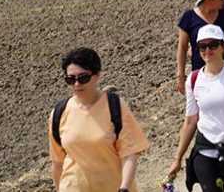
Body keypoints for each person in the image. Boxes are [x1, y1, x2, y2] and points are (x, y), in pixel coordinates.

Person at [168, 25, 224, 192]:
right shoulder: (193, 80)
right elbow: (190, 121)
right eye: (202, 46)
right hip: (207, 148)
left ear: (223, 46)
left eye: (213, 45)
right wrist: (177, 158)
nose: (207, 50)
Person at [49, 48, 149, 192]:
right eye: (70, 79)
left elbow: (129, 153)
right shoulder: (59, 113)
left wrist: (124, 188)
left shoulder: (114, 106)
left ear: (97, 76)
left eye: (83, 78)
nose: (77, 84)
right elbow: (57, 162)